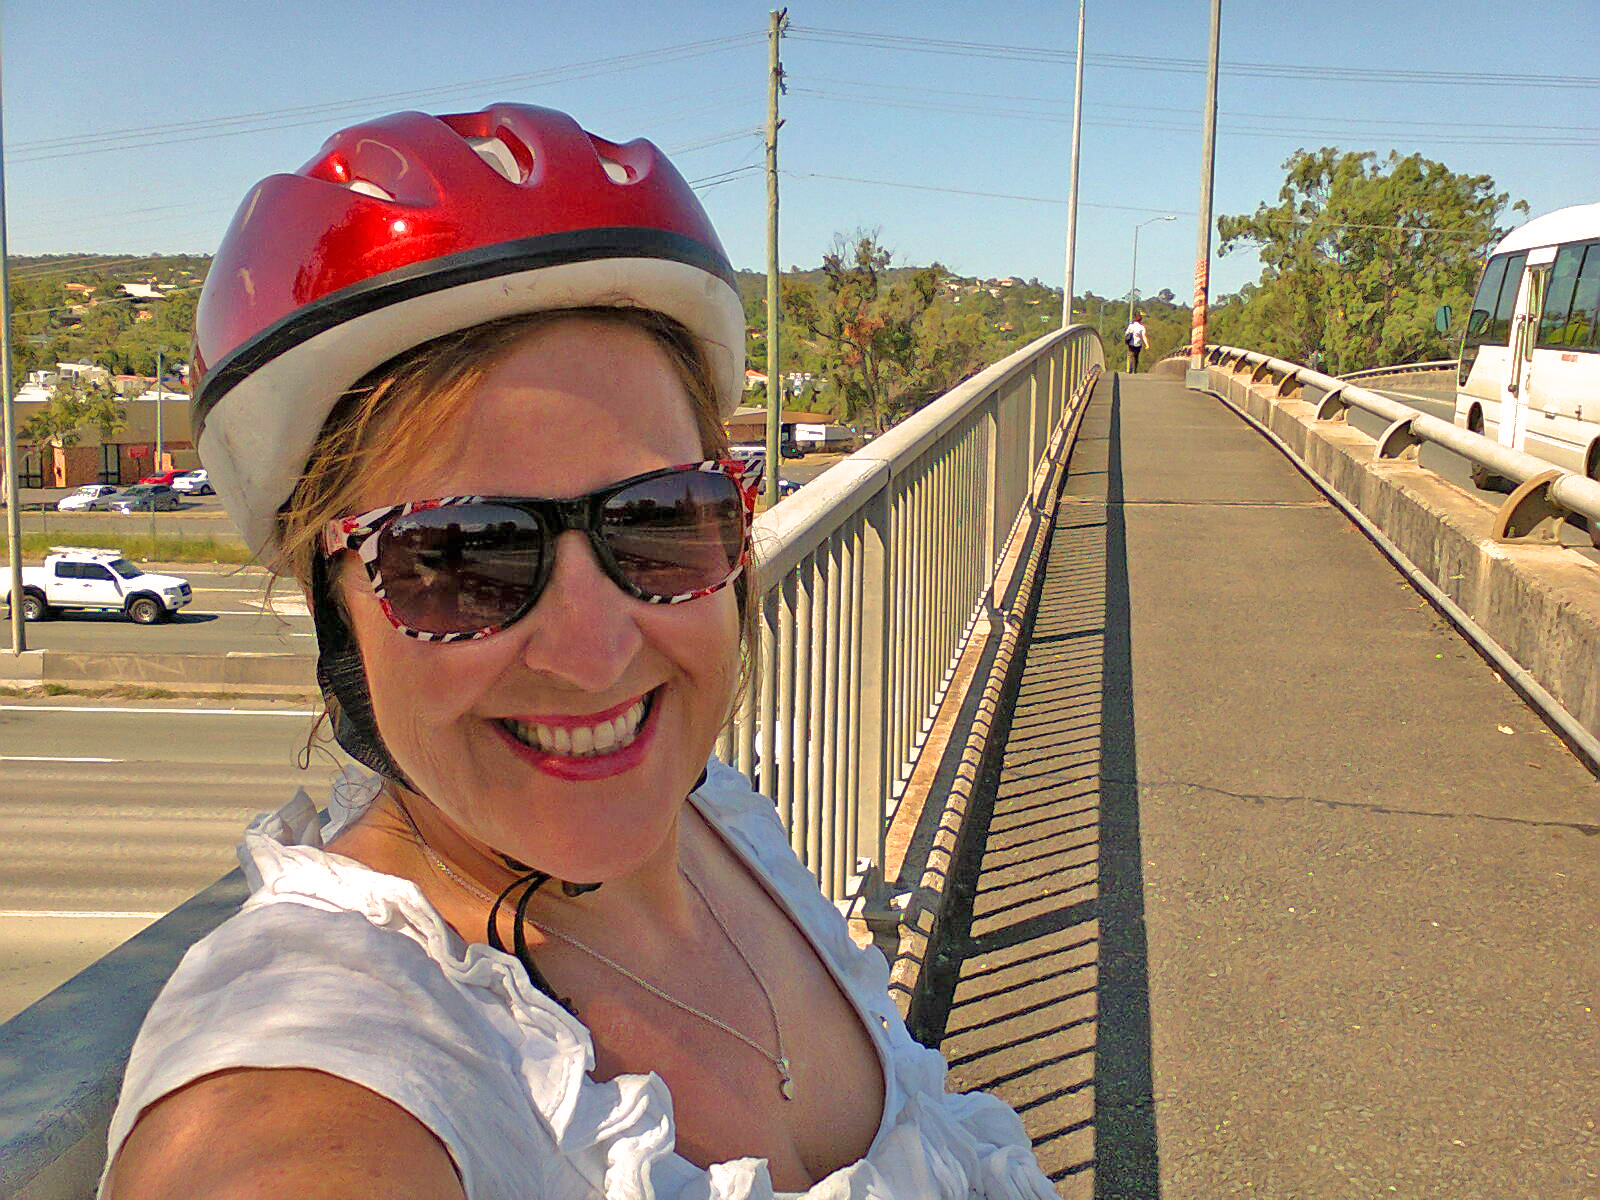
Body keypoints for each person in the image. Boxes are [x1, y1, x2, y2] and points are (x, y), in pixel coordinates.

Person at [100, 104, 1055, 1200]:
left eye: (661, 520)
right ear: (334, 605)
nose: (594, 653)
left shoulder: (720, 818)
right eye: (461, 555)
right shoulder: (314, 1069)